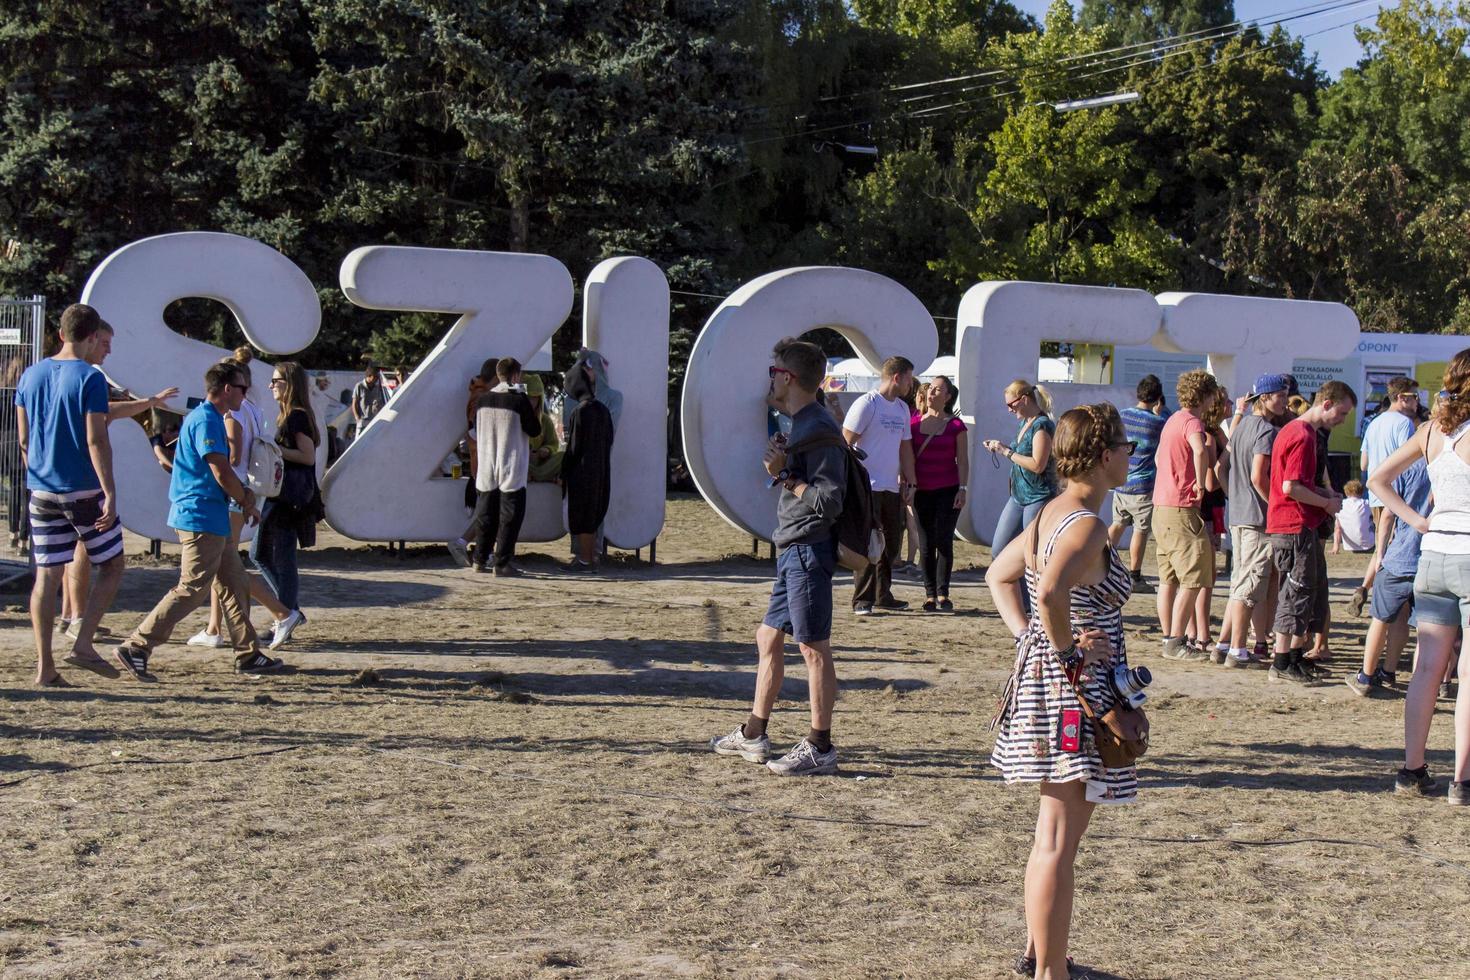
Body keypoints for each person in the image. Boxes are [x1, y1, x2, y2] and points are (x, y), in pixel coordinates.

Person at [985, 402, 1138, 979]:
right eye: (1125, 448)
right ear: (1103, 457)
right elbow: (1047, 591)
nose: (1131, 456)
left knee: (1052, 834)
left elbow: (999, 578)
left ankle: (1041, 954)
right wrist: (1067, 651)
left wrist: (1033, 641)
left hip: (1055, 684)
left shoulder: (1050, 511)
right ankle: (1051, 972)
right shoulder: (1085, 522)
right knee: (1057, 839)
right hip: (1074, 690)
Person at [710, 337, 847, 776]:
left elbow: (830, 501)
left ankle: (820, 747)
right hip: (793, 548)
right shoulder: (803, 422)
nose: (770, 380)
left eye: (774, 373)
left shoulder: (819, 428)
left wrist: (784, 476)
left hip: (809, 548)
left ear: (788, 378)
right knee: (768, 639)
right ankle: (754, 734)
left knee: (812, 648)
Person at [112, 360, 281, 681]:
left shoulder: (210, 418)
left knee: (235, 584)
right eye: (243, 388)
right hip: (200, 516)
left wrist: (242, 498)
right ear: (227, 388)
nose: (246, 395)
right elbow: (219, 467)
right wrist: (246, 498)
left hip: (211, 516)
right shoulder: (207, 420)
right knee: (191, 588)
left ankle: (248, 655)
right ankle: (137, 646)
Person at [1371, 357, 1470, 801]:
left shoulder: (1430, 430)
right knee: (1466, 673)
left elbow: (1377, 479)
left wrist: (1418, 520)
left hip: (1433, 557)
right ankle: (1462, 781)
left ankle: (1412, 770)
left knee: (1427, 668)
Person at [14, 304, 124, 685]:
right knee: (112, 564)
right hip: (83, 490)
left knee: (47, 576)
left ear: (61, 333)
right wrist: (109, 491)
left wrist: (39, 471)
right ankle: (82, 643)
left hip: (41, 489)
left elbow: (24, 439)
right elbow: (96, 438)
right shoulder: (90, 378)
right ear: (92, 336)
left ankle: (45, 668)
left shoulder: (30, 374)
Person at [57, 319, 179, 654]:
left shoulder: (57, 374)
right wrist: (149, 402)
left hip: (54, 479)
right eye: (105, 342)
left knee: (71, 551)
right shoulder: (86, 377)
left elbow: (108, 412)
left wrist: (148, 402)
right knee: (93, 553)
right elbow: (102, 423)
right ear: (92, 339)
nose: (109, 349)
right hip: (82, 479)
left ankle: (71, 615)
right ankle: (78, 620)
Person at [1266, 380, 1356, 685]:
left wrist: (1325, 497)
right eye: (1342, 413)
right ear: (1326, 404)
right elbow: (1290, 487)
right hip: (1294, 524)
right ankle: (1281, 661)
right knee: (1295, 590)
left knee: (1307, 590)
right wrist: (1326, 503)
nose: (1342, 421)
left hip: (1299, 523)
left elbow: (1296, 482)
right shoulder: (1303, 434)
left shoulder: (1298, 431)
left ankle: (1293, 657)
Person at [189, 346, 275, 650]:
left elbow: (233, 455)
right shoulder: (252, 409)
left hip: (233, 492)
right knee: (226, 566)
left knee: (225, 567)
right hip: (244, 490)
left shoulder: (232, 413)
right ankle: (221, 629)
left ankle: (279, 613)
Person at [1219, 375, 1289, 668]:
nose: (1284, 400)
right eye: (1279, 396)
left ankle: (1224, 644)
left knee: (1240, 581)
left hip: (1238, 514)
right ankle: (1237, 650)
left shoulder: (1241, 426)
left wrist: (1233, 496)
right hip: (1256, 517)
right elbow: (1258, 476)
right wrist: (1276, 505)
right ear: (1264, 397)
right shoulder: (1265, 431)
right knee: (1248, 586)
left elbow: (1220, 468)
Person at [1152, 369, 1220, 661]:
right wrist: (1200, 482)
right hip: (1181, 508)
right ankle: (1176, 641)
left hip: (1161, 507)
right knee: (1194, 576)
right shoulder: (1193, 422)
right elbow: (1199, 448)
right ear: (1205, 395)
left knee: (1168, 579)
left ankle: (1169, 636)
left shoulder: (1172, 420)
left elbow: (1157, 458)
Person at [250, 361, 319, 647]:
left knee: (277, 556)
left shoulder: (296, 417)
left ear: (289, 383)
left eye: (275, 381)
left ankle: (287, 614)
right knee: (264, 554)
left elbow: (307, 457)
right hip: (284, 496)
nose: (271, 386)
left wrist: (275, 448)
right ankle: (288, 612)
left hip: (289, 498)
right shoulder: (290, 415)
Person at [1349, 454, 1429, 699]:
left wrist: (1380, 553)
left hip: (1400, 557)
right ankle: (1418, 686)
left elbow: (1387, 515)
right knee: (1425, 631)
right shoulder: (1455, 463)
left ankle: (1365, 675)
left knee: (1381, 620)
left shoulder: (1409, 467)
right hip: (1431, 559)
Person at [843, 356, 917, 616]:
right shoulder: (867, 404)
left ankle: (882, 594)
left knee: (891, 543)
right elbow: (846, 443)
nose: (911, 385)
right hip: (867, 486)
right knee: (868, 542)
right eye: (909, 378)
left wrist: (911, 480)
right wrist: (851, 480)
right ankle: (862, 599)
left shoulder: (902, 409)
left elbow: (905, 447)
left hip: (891, 487)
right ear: (897, 377)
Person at [1352, 376, 1420, 615]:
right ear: (1402, 398)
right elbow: (1409, 460)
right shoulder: (1404, 424)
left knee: (1382, 548)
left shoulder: (1374, 422)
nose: (1416, 403)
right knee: (1389, 552)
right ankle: (1376, 602)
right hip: (1394, 494)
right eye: (1414, 397)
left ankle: (1364, 589)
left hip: (1376, 495)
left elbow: (1363, 463)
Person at [469, 357, 540, 576]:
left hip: (487, 463)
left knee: (485, 514)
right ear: (516, 376)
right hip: (511, 463)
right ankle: (501, 563)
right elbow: (535, 430)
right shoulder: (518, 401)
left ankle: (479, 559)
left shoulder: (483, 400)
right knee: (510, 516)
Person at [910, 375, 967, 612]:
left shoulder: (956, 426)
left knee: (944, 541)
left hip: (948, 489)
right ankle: (929, 594)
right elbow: (905, 458)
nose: (932, 393)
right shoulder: (912, 423)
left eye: (938, 390)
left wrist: (962, 489)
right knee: (925, 543)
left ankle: (943, 593)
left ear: (948, 396)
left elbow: (962, 461)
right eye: (930, 388)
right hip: (921, 490)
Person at [983, 379, 1057, 558]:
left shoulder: (1042, 425)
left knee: (1030, 553)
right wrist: (1000, 447)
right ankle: (1013, 585)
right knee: (999, 550)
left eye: (1011, 404)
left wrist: (1006, 451)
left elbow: (1038, 465)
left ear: (1024, 399)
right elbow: (1022, 455)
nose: (1009, 409)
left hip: (1037, 497)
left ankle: (1029, 586)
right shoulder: (1025, 422)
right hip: (1018, 496)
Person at [1108, 375, 1166, 594]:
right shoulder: (1159, 422)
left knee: (1117, 524)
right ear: (1158, 397)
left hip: (1122, 481)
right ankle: (1135, 575)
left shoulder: (1123, 416)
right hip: (1143, 486)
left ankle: (1098, 558)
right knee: (1140, 531)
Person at [561, 358, 615, 571]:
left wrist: (563, 472)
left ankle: (584, 559)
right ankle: (589, 557)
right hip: (601, 470)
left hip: (582, 473)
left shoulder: (580, 411)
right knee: (593, 516)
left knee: (582, 516)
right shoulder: (602, 410)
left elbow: (573, 448)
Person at [525, 373, 562, 482]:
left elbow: (554, 444)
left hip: (540, 464)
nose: (532, 402)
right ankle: (540, 476)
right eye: (530, 398)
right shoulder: (516, 418)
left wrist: (546, 450)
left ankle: (535, 475)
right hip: (522, 463)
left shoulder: (545, 420)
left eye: (535, 398)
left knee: (563, 456)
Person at [1334, 480, 1374, 554]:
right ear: (1361, 491)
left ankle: (1336, 548)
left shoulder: (1341, 504)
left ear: (1346, 492)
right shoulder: (1366, 503)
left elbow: (1337, 529)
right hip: (1368, 544)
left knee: (1338, 524)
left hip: (1349, 546)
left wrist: (1336, 547)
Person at [351, 362, 388, 435]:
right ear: (370, 376)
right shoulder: (359, 386)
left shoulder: (377, 388)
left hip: (374, 419)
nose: (377, 379)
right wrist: (357, 418)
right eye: (376, 377)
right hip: (363, 419)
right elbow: (354, 403)